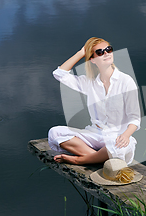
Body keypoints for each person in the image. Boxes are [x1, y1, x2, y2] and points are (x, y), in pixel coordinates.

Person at [48, 37, 140, 165]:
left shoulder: (126, 81)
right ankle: (97, 158)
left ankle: (79, 160)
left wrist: (125, 136)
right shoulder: (90, 82)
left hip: (116, 136)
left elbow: (135, 118)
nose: (106, 53)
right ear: (92, 59)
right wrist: (81, 53)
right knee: (54, 132)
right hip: (94, 134)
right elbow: (59, 74)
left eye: (109, 49)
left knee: (122, 147)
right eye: (100, 52)